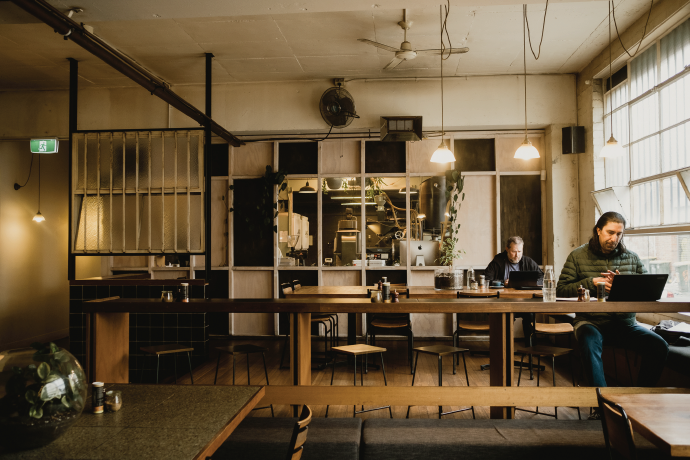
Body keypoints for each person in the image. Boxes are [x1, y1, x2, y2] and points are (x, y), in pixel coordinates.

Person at [557, 212, 668, 393]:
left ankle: (640, 397)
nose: (614, 238)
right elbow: (561, 290)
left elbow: (649, 291)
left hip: (625, 324)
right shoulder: (577, 256)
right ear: (598, 230)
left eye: (619, 234)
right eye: (610, 232)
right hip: (591, 322)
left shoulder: (631, 258)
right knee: (588, 341)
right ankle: (602, 404)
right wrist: (591, 283)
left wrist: (623, 285)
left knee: (658, 346)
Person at [485, 236, 542, 347]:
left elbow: (541, 277)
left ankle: (530, 349)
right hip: (502, 302)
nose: (517, 255)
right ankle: (503, 349)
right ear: (507, 249)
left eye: (520, 251)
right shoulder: (498, 260)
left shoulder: (527, 261)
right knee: (505, 317)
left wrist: (532, 283)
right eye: (514, 252)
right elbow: (487, 278)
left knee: (530, 316)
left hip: (524, 302)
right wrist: (502, 283)